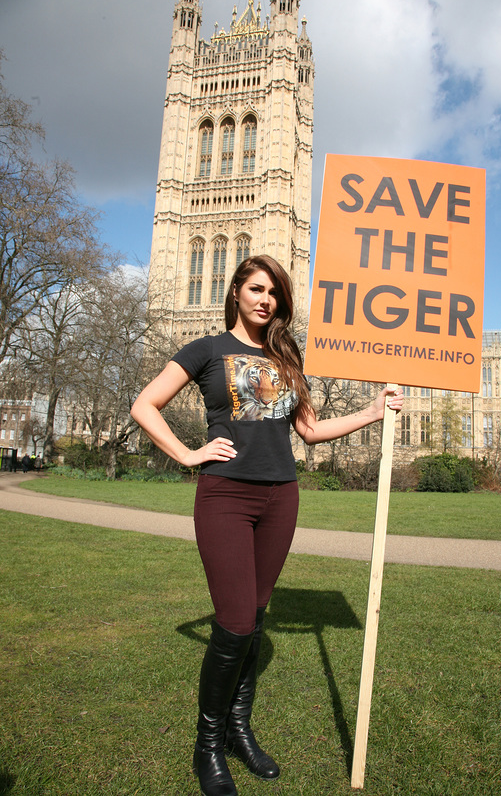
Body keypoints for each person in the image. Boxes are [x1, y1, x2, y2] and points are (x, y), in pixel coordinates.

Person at [130, 255, 403, 796]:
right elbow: (146, 405)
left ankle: (239, 728)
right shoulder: (206, 350)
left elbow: (313, 431)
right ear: (236, 292)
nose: (265, 299)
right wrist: (188, 454)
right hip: (226, 496)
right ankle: (207, 745)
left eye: (274, 292)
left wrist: (373, 412)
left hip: (282, 499)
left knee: (254, 617)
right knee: (232, 623)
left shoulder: (286, 354)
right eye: (256, 289)